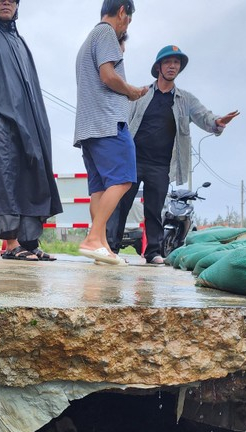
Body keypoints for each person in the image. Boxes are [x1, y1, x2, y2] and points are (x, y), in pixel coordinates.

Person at [107, 45, 239, 264]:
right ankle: (112, 247)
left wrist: (217, 122)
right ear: (159, 66)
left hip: (161, 164)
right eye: (168, 62)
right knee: (122, 204)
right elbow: (123, 119)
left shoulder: (185, 100)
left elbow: (204, 116)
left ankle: (153, 252)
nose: (172, 66)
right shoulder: (142, 94)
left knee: (155, 207)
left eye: (176, 63)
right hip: (133, 159)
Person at [0, 0, 63, 262]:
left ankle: (29, 242)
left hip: (28, 124)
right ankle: (10, 242)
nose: (6, 2)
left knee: (31, 177)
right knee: (4, 180)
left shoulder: (20, 42)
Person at [72, 0, 148, 266]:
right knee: (125, 179)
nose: (125, 26)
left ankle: (101, 246)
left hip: (88, 127)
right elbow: (108, 76)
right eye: (128, 20)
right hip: (108, 123)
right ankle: (94, 238)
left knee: (100, 189)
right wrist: (132, 91)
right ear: (122, 12)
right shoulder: (105, 33)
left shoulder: (87, 41)